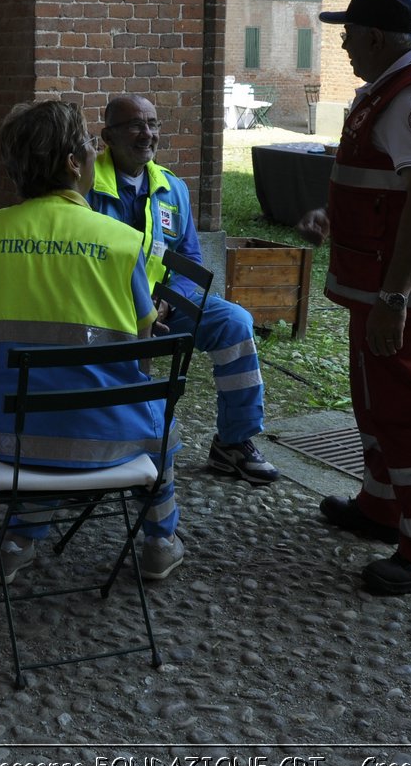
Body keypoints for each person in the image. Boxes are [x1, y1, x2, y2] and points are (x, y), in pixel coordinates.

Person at [0, 98, 185, 583]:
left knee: (47, 412)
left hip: (0, 435)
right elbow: (142, 340)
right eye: (88, 146)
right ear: (74, 164)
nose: (95, 153)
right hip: (105, 433)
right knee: (159, 427)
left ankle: (20, 537)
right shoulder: (121, 240)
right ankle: (161, 540)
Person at [295, 0, 411, 596]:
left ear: (375, 37)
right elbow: (392, 190)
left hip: (400, 297)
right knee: (374, 402)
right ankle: (382, 506)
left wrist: (396, 299)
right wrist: (334, 217)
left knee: (408, 414)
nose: (343, 45)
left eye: (348, 35)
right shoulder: (394, 90)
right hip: (377, 288)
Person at [88, 94, 280, 486]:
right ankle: (123, 442)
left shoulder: (170, 188)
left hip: (166, 310)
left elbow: (189, 258)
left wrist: (167, 299)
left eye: (153, 124)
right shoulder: (87, 185)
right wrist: (138, 306)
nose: (147, 134)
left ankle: (234, 441)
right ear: (107, 136)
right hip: (105, 314)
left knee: (235, 323)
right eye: (135, 126)